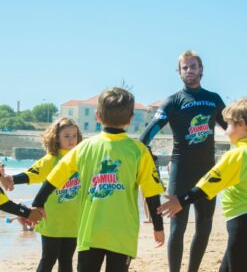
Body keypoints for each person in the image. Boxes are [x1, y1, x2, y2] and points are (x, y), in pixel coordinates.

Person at [31, 87, 165, 272]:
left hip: (90, 231)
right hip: (123, 233)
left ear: (98, 116)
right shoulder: (138, 150)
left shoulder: (84, 147)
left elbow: (54, 178)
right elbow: (151, 193)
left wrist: (38, 202)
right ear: (131, 118)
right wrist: (158, 227)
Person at [158, 98, 247, 272]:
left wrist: (181, 201)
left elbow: (209, 184)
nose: (226, 132)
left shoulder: (238, 155)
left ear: (241, 124)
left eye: (228, 126)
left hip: (242, 226)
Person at [140, 50, 227, 272]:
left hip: (208, 170)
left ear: (201, 69)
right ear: (179, 72)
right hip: (181, 169)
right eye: (185, 67)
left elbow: (232, 129)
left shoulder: (214, 100)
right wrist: (140, 154)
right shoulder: (172, 102)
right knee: (177, 227)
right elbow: (148, 134)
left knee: (204, 226)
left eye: (193, 66)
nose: (189, 70)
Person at [0, 117, 83, 272]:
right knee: (48, 259)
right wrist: (10, 180)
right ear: (56, 138)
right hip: (51, 219)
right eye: (66, 136)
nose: (72, 140)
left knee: (67, 260)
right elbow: (30, 175)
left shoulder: (81, 159)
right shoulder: (50, 160)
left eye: (74, 135)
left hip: (73, 220)